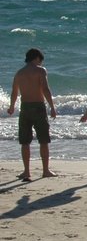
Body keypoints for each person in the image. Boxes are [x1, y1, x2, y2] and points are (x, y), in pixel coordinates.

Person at [7, 48, 58, 181]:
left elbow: (14, 92)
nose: (41, 63)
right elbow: (45, 89)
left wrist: (12, 106)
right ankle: (45, 170)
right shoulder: (40, 70)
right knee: (43, 140)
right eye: (40, 60)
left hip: (25, 108)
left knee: (25, 141)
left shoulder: (19, 73)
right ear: (36, 58)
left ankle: (26, 172)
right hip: (38, 107)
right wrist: (52, 107)